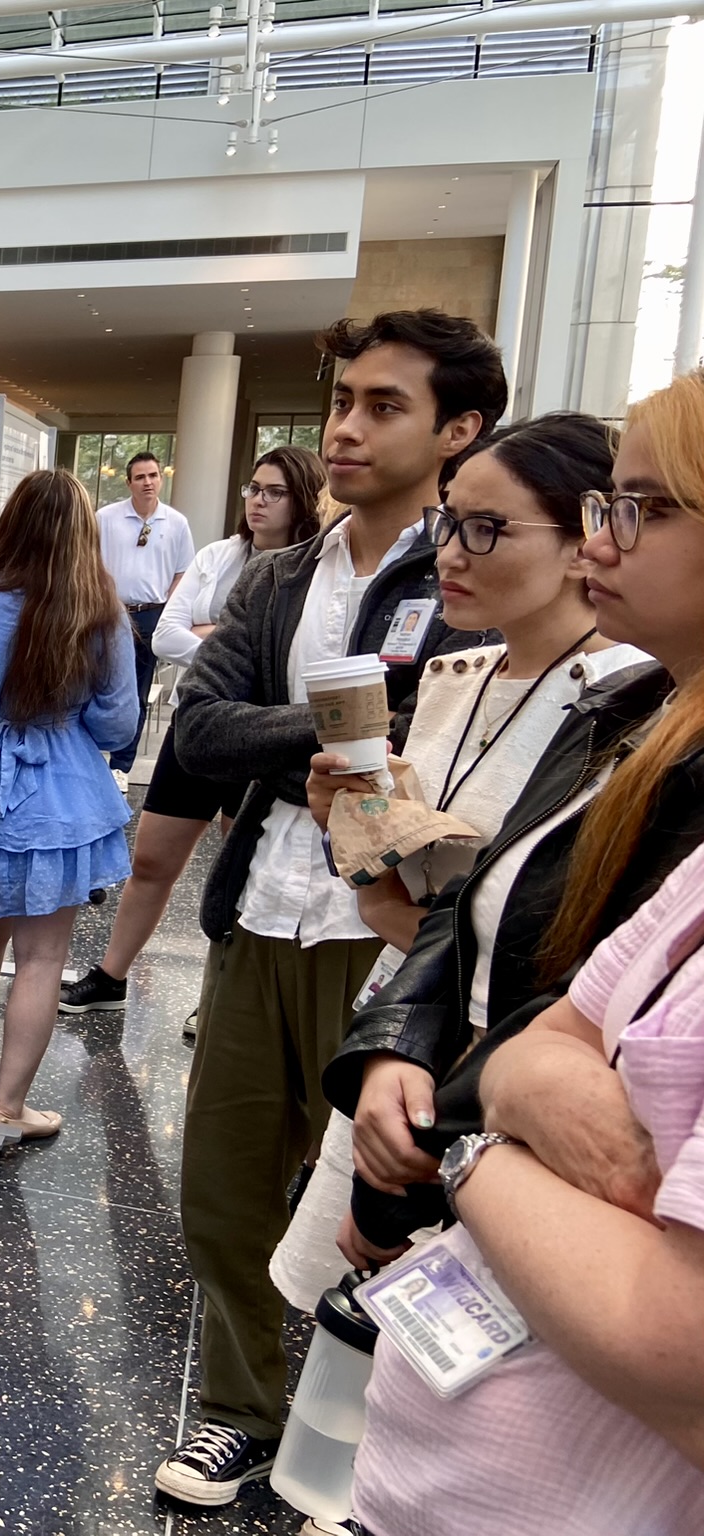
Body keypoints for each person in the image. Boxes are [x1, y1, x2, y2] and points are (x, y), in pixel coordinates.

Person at [155, 310, 505, 1508]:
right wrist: (343, 722)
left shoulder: (472, 572)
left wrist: (336, 730)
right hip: (263, 909)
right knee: (226, 1186)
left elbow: (464, 740)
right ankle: (238, 1411)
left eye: (382, 407)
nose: (345, 428)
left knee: (387, 1205)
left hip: (399, 937)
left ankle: (373, 1450)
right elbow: (198, 735)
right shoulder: (278, 574)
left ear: (456, 430)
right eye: (341, 401)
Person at [324, 369, 704, 1268]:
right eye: (612, 507)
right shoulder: (632, 712)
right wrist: (398, 1051)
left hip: (526, 1206)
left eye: (641, 510)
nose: (601, 546)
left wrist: (462, 1120)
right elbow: (483, 917)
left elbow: (583, 1025)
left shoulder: (615, 702)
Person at [266, 411, 642, 1314]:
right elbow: (397, 910)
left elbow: (537, 944)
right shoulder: (453, 679)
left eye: (487, 529)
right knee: (349, 1309)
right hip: (404, 1025)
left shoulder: (629, 702)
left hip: (504, 1069)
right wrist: (355, 830)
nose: (451, 555)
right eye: (447, 523)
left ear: (585, 537)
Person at [341, 835, 704, 1532]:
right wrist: (522, 1101)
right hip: (411, 1491)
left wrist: (476, 1157)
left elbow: (676, 1350)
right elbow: (539, 1040)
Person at [60, 445, 325, 1017]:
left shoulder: (313, 570)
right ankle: (110, 977)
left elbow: (286, 663)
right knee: (151, 861)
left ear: (302, 499)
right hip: (196, 725)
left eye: (274, 492)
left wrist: (220, 638)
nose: (258, 501)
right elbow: (165, 636)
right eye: (253, 489)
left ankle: (216, 1001)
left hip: (260, 737)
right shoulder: (218, 556)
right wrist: (237, 644)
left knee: (239, 872)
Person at [0, 469, 139, 1138]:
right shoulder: (100, 611)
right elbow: (117, 726)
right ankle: (10, 1109)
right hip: (64, 797)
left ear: (10, 524)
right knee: (42, 957)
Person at [95, 450, 195, 780]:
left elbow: (183, 572)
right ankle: (90, 758)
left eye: (153, 475)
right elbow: (88, 562)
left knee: (135, 693)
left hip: (150, 616)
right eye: (140, 477)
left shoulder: (176, 523)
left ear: (161, 479)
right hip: (108, 613)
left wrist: (167, 607)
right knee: (96, 682)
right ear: (129, 483)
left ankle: (120, 767)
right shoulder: (105, 518)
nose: (147, 482)